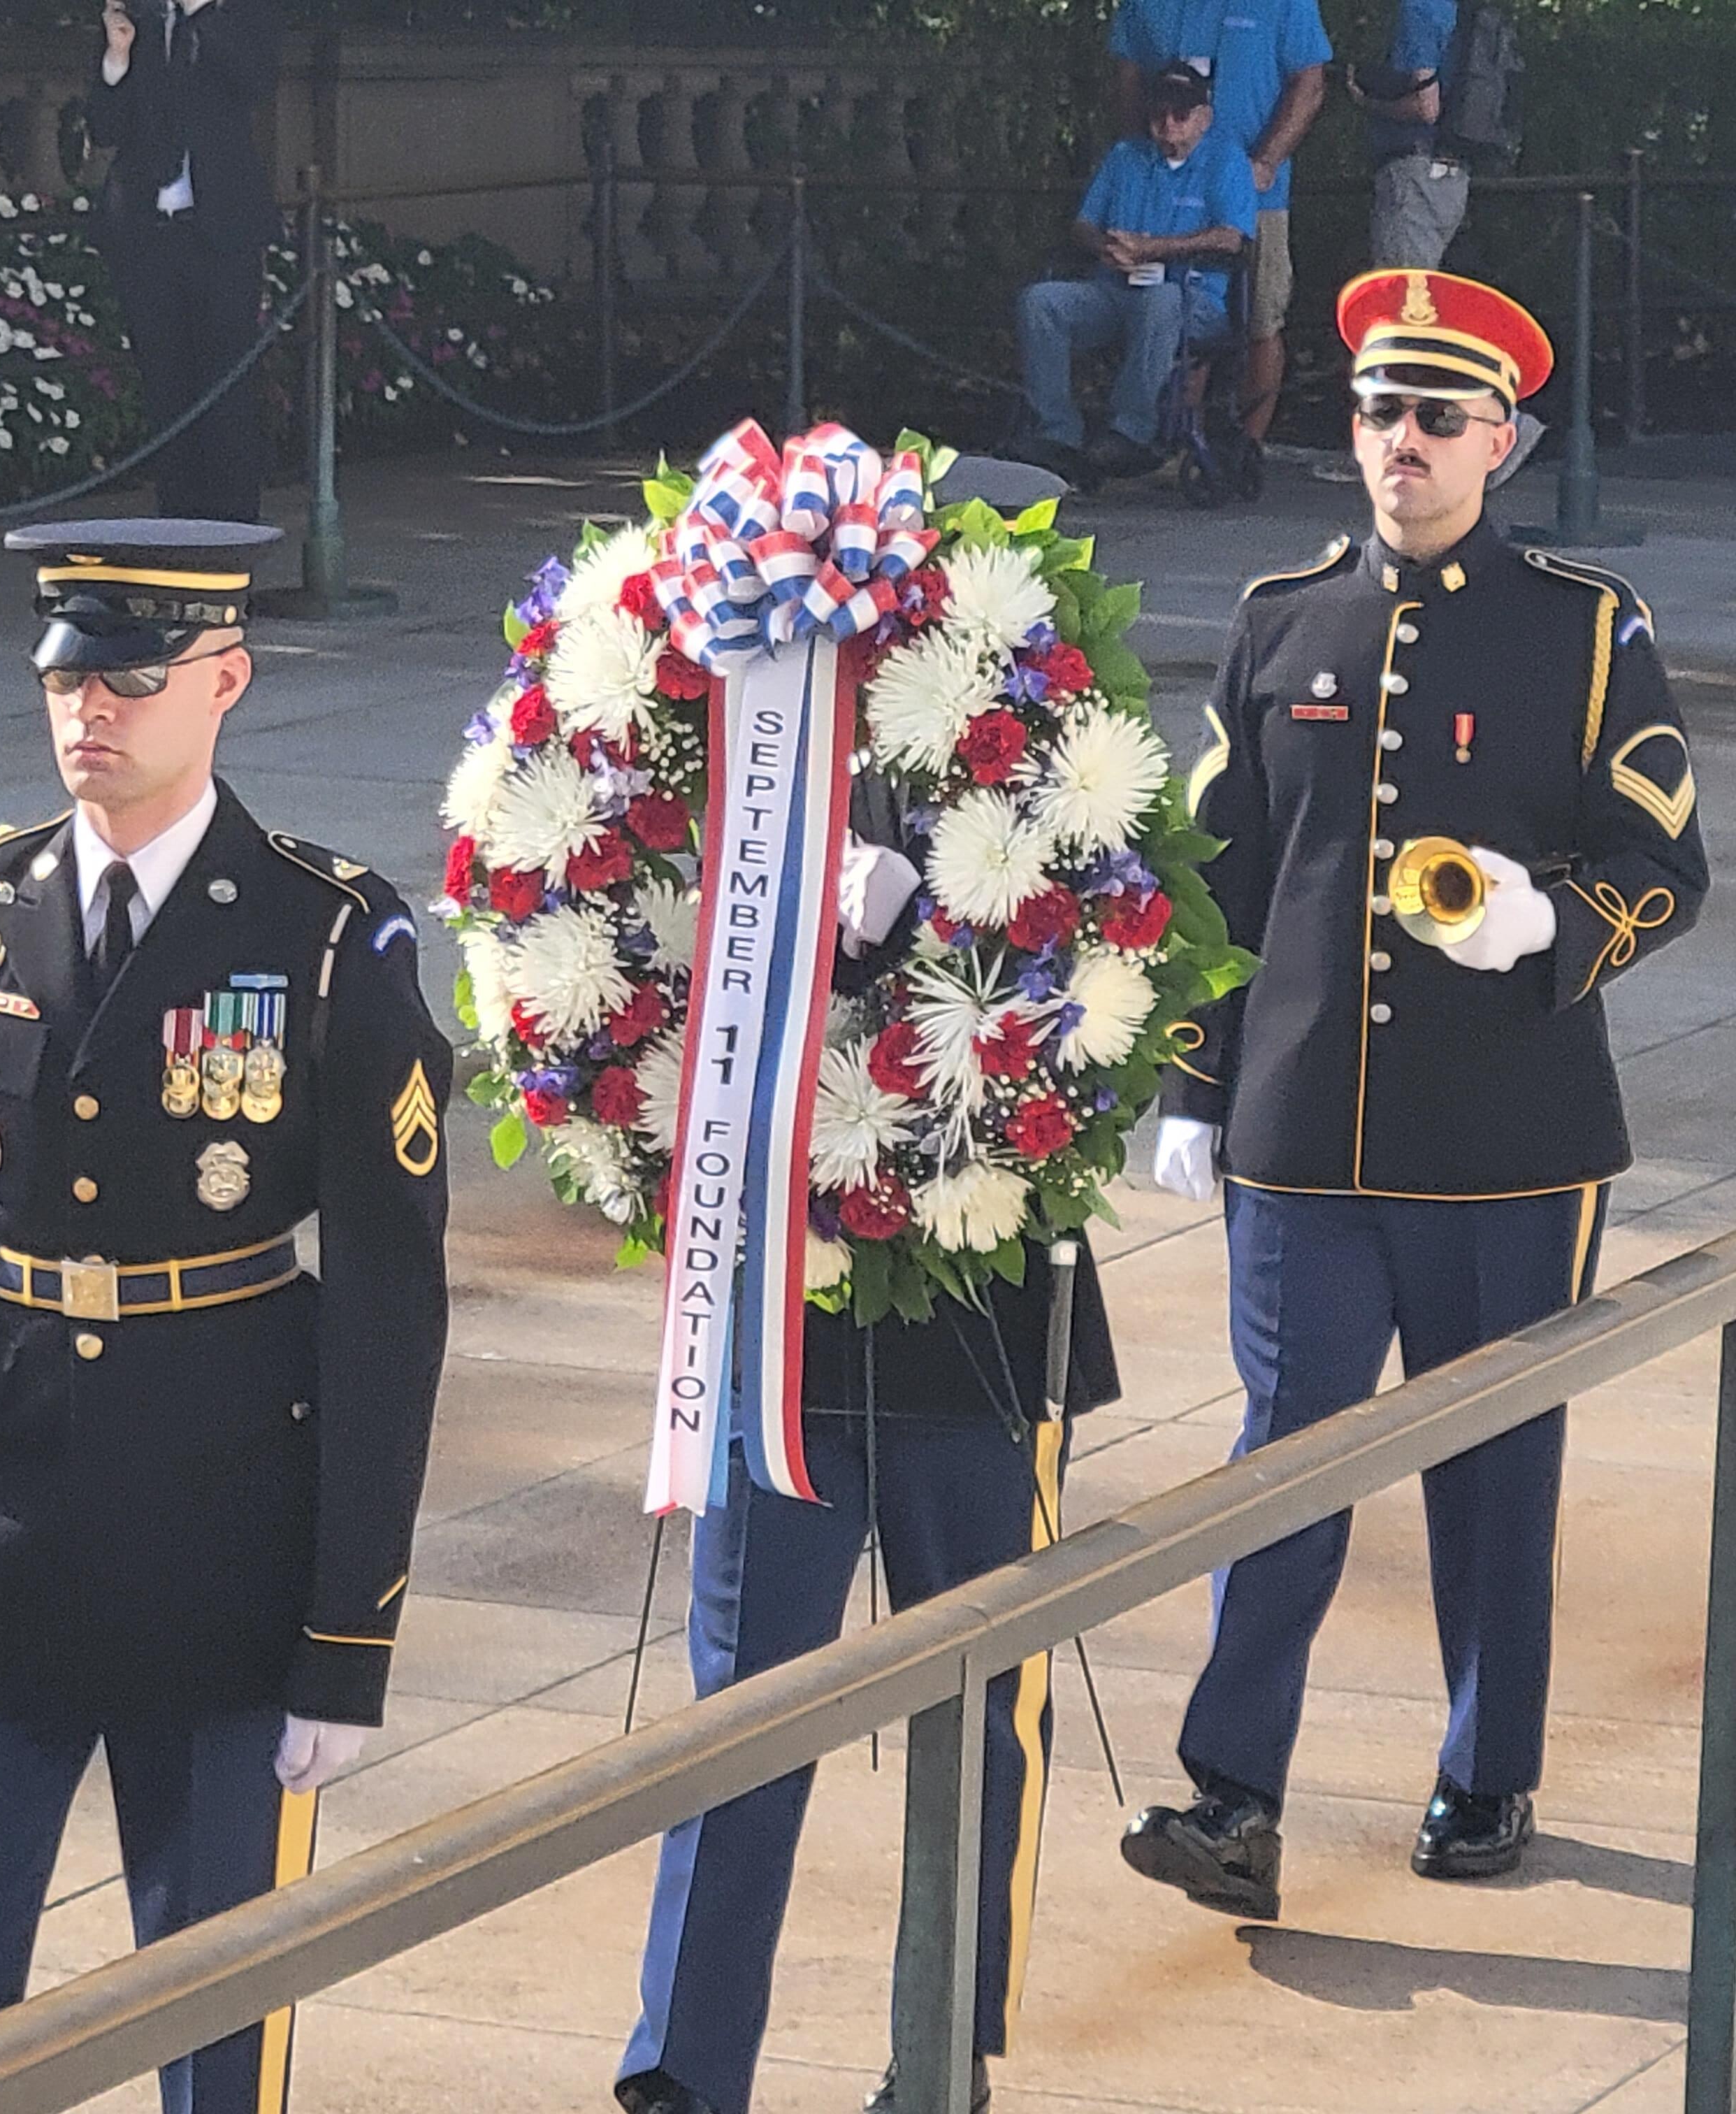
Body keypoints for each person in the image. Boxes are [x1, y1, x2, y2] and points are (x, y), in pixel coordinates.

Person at [1124, 270, 1708, 1921]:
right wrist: (1192, 1078)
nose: (1403, 442)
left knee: (1492, 1472)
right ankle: (1232, 1794)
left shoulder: (1586, 632)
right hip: (1303, 1130)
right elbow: (1218, 872)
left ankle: (1483, 1770)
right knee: (1282, 1461)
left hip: (1511, 1144)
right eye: (1381, 412)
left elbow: (1666, 859)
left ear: (1502, 444)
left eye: (1439, 418)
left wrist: (1552, 924)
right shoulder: (1281, 618)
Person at [0, 519, 452, 2114]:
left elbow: (391, 1302)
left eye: (130, 679)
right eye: (68, 675)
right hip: (3, 1527)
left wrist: (349, 1634)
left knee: (214, 1998)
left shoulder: (324, 937)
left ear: (227, 682)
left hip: (226, 1538)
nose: (89, 713)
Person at [614, 800, 1124, 2114]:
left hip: (976, 1313)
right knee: (741, 1705)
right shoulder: (725, 676)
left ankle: (943, 2048)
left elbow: (1104, 952)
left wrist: (936, 929)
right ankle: (684, 2062)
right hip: (778, 1321)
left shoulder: (1017, 672)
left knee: (978, 1712)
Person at [1013, 61, 1258, 488]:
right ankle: (1055, 431)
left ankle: (1131, 431)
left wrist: (1155, 249)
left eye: (1181, 115)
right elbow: (1084, 225)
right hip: (1116, 287)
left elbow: (1231, 239)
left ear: (1204, 117)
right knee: (1041, 302)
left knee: (1161, 298)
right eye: (1159, 113)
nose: (1167, 124)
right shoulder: (1126, 156)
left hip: (1193, 296)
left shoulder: (1226, 159)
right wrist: (1106, 249)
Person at [92, 0, 282, 522]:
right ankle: (177, 532)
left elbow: (255, 82)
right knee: (167, 393)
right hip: (151, 240)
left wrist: (200, 15)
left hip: (220, 239)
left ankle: (233, 535)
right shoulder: (141, 26)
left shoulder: (242, 19)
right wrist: (117, 56)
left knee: (225, 392)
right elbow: (104, 127)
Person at [1110, 0, 1332, 443]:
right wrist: (1138, 166)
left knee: (1262, 316)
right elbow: (1127, 83)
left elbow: (1310, 82)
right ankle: (1170, 439)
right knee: (1174, 304)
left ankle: (1244, 447)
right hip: (1167, 187)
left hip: (1256, 193)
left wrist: (1267, 161)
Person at [1352, 0, 1468, 268]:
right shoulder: (1456, 10)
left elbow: (1426, 106)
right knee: (1425, 292)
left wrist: (1367, 102)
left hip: (1414, 174)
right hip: (1453, 173)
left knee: (1402, 293)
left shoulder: (1418, 9)